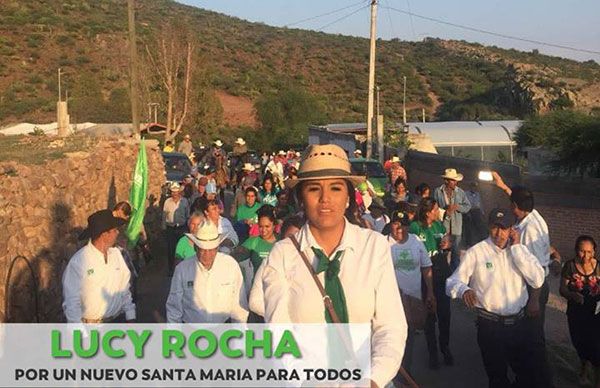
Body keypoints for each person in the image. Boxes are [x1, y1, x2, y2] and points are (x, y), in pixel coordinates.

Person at [261, 144, 407, 388]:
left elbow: (390, 326)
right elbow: (279, 334)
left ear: (349, 196)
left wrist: (373, 379)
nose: (325, 198)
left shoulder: (374, 246)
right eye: (314, 189)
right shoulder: (282, 255)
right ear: (300, 197)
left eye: (336, 188)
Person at [446, 208, 547, 388]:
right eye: (495, 227)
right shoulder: (477, 252)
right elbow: (452, 281)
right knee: (497, 378)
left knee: (527, 374)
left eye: (504, 228)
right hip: (490, 326)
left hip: (518, 325)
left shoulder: (520, 251)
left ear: (511, 229)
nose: (499, 233)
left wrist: (517, 248)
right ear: (489, 227)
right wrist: (464, 290)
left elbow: (538, 278)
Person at [492, 172, 554, 329]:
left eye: (510, 204)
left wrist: (534, 300)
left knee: (532, 333)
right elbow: (520, 199)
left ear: (514, 206)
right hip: (529, 285)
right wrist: (504, 186)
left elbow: (537, 269)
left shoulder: (530, 230)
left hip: (534, 288)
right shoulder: (532, 214)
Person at [166, 221, 249, 323]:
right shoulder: (182, 270)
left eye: (211, 249)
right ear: (196, 248)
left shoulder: (231, 266)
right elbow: (174, 308)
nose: (207, 254)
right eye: (203, 249)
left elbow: (239, 305)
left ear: (217, 248)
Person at [63, 209, 136, 323]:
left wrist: (130, 315)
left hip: (118, 321)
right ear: (104, 234)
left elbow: (124, 288)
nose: (118, 233)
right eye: (115, 230)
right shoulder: (78, 262)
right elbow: (72, 302)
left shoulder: (116, 254)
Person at [388, 210, 435, 379]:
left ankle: (405, 373)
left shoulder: (416, 241)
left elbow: (426, 267)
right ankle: (394, 376)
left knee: (408, 339)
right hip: (392, 302)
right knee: (392, 339)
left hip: (413, 301)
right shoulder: (383, 243)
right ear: (391, 224)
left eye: (403, 225)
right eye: (396, 224)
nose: (399, 228)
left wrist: (430, 292)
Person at [409, 197, 453, 369]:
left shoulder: (439, 225)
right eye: (435, 209)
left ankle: (445, 347)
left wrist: (447, 244)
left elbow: (446, 242)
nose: (438, 212)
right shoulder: (414, 227)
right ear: (428, 212)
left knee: (445, 315)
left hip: (441, 273)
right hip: (424, 277)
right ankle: (433, 353)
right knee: (429, 317)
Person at [559, 235, 600, 387]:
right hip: (576, 314)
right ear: (577, 251)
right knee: (580, 343)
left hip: (596, 314)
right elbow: (562, 289)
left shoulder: (599, 266)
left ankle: (597, 381)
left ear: (594, 252)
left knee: (596, 347)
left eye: (589, 252)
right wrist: (571, 295)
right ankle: (584, 365)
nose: (586, 256)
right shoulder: (569, 266)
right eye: (582, 251)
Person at [248, 214, 305, 320]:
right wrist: (283, 316)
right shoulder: (269, 262)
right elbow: (254, 302)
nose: (295, 242)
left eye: (299, 237)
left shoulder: (312, 263)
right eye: (290, 237)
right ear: (282, 237)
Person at [433, 168, 471, 270]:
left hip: (456, 227)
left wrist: (457, 207)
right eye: (453, 180)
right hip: (442, 226)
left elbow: (468, 206)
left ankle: (455, 274)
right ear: (446, 181)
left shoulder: (460, 192)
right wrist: (445, 211)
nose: (455, 182)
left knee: (455, 253)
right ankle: (440, 271)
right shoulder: (438, 192)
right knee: (441, 251)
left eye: (455, 180)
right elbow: (434, 207)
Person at [162, 182, 190, 276]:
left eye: (176, 191)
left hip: (181, 227)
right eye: (172, 192)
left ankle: (181, 269)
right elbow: (164, 215)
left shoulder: (184, 201)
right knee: (171, 249)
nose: (174, 193)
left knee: (181, 248)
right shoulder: (167, 202)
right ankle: (171, 269)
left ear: (179, 192)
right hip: (171, 227)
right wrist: (163, 227)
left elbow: (187, 215)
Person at [463, 181, 487, 248]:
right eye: (473, 186)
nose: (474, 188)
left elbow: (480, 204)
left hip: (476, 211)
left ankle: (482, 239)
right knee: (468, 227)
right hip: (469, 211)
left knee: (481, 226)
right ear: (470, 187)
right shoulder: (466, 194)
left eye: (475, 187)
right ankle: (468, 243)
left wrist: (482, 213)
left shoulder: (477, 194)